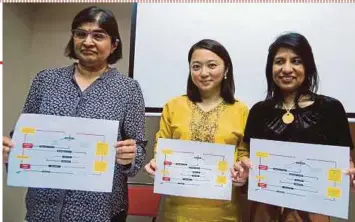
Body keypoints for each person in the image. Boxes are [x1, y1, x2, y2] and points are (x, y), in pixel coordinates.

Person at [2, 6, 146, 222]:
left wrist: (130, 157)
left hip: (99, 210)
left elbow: (139, 149)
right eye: (80, 34)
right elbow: (22, 135)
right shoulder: (46, 81)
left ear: (114, 44)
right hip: (44, 207)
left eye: (98, 35)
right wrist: (10, 150)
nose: (88, 42)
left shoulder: (128, 89)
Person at [232, 32, 355, 222]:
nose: (287, 69)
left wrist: (352, 178)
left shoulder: (331, 109)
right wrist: (242, 170)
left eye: (296, 61)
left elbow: (345, 161)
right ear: (271, 68)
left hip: (313, 213)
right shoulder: (259, 111)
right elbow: (247, 155)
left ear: (308, 66)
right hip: (265, 213)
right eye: (279, 61)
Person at [144, 39, 249, 222]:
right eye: (196, 66)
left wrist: (242, 173)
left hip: (223, 212)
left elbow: (243, 153)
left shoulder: (241, 110)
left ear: (226, 70)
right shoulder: (173, 106)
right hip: (177, 210)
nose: (204, 73)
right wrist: (156, 164)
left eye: (212, 65)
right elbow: (161, 148)